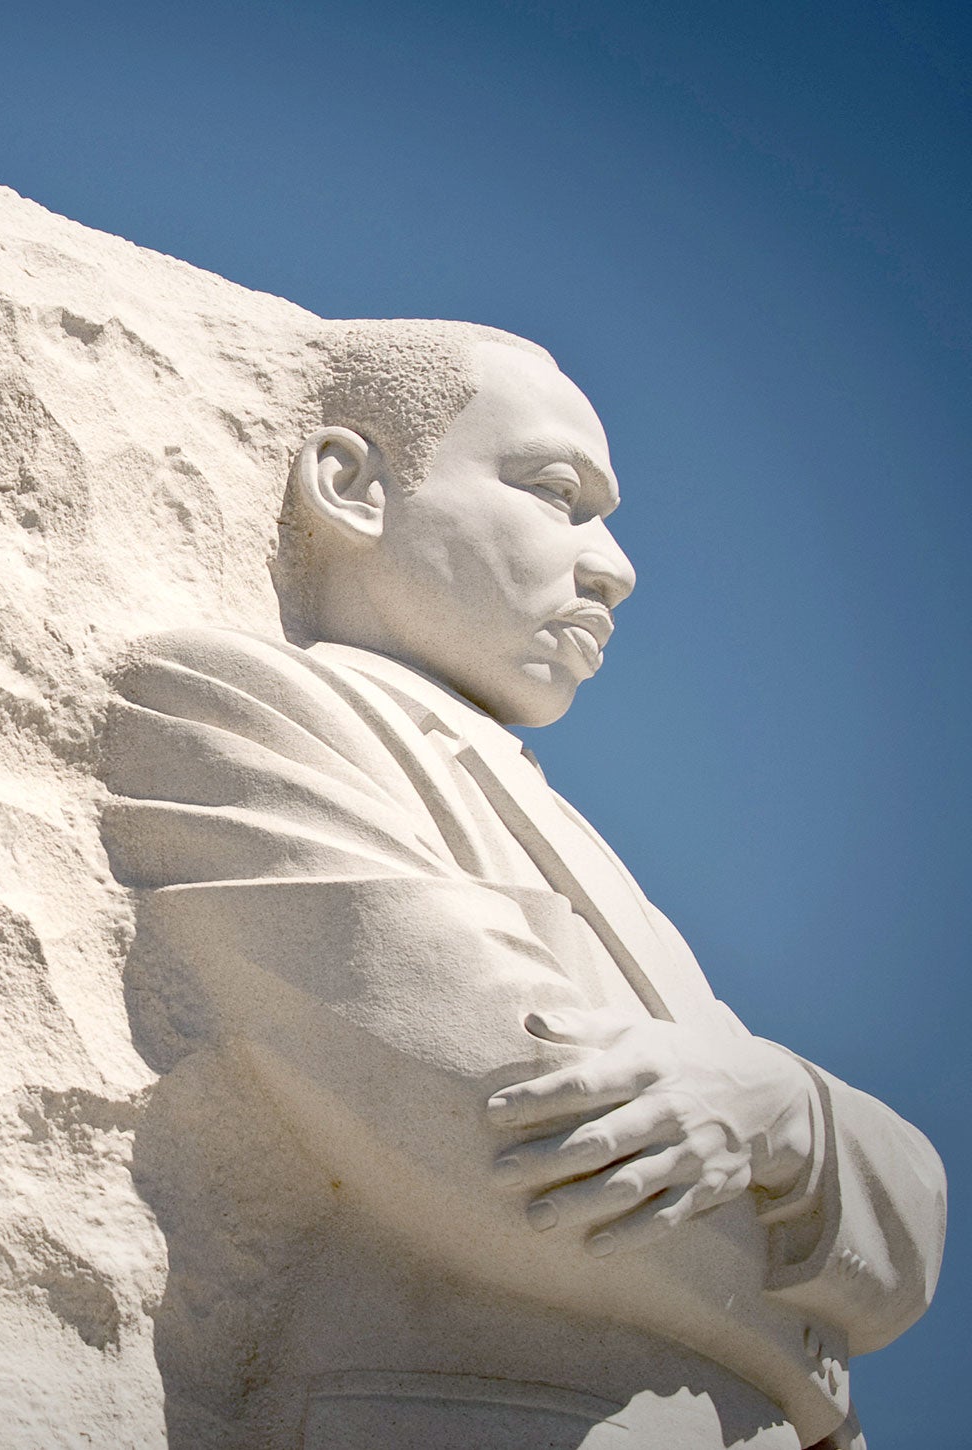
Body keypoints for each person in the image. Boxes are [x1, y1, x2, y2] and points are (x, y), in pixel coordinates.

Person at [102, 320, 945, 1450]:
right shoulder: (233, 705)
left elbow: (918, 1237)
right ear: (349, 487)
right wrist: (812, 1325)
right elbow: (513, 1133)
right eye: (556, 492)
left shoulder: (572, 834)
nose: (615, 563)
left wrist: (773, 1104)